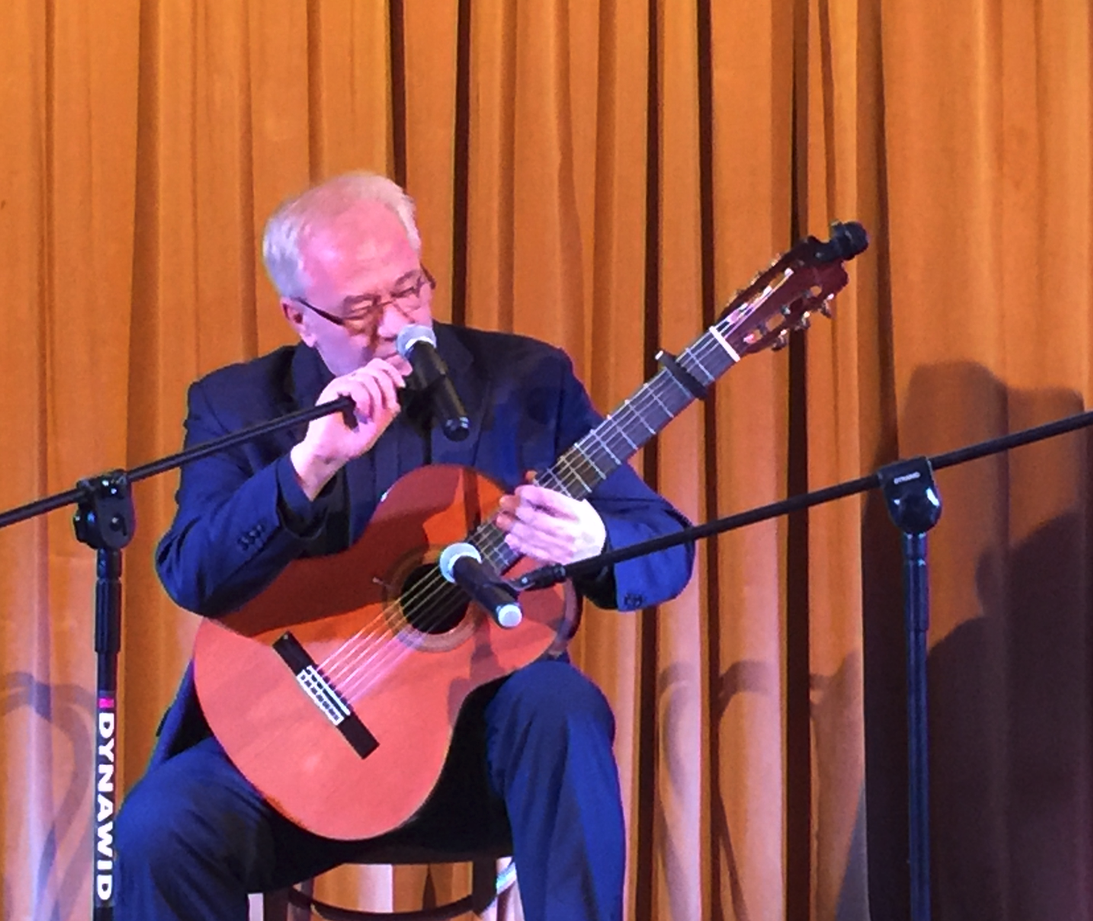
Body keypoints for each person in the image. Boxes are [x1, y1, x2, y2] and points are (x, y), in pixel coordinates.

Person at [115, 172, 694, 921]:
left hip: (484, 752)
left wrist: (594, 538)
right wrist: (308, 465)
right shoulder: (239, 404)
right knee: (158, 828)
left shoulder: (524, 381)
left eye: (410, 290)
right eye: (360, 308)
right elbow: (193, 569)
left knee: (562, 703)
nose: (394, 324)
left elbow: (665, 546)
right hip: (302, 746)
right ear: (300, 317)